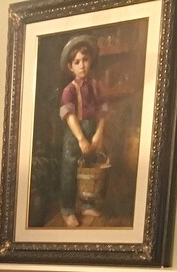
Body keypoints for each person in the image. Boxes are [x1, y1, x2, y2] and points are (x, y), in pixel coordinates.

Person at [57, 34, 107, 227]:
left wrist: (98, 134)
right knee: (70, 170)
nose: (82, 65)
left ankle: (87, 204)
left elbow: (102, 111)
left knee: (89, 168)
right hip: (75, 133)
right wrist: (80, 138)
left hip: (92, 130)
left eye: (85, 60)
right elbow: (69, 115)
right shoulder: (69, 90)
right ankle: (68, 210)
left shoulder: (96, 86)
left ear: (90, 61)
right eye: (77, 62)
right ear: (70, 67)